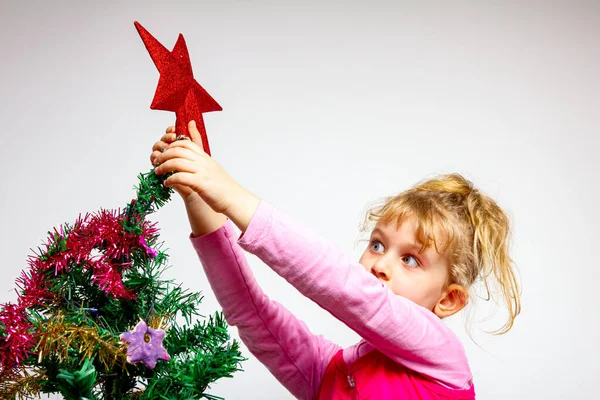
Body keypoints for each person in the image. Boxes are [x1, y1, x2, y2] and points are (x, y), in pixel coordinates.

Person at [150, 120, 521, 399]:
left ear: (448, 299)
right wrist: (199, 198)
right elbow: (251, 314)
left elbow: (349, 290)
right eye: (377, 245)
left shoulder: (443, 358)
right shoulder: (330, 372)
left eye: (410, 260)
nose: (381, 265)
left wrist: (231, 195)